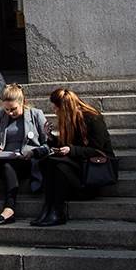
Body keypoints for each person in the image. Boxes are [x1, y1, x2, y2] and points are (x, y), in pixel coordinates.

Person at [33, 88, 114, 227]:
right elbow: (69, 143)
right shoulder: (70, 119)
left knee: (59, 165)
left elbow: (97, 150)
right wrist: (51, 137)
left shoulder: (93, 118)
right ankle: (49, 207)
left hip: (92, 171)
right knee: (47, 161)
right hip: (77, 165)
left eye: (56, 106)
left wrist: (72, 150)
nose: (54, 110)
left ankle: (57, 211)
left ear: (64, 106)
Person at [0, 84, 48, 226]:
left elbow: (48, 145)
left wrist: (33, 152)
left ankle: (10, 208)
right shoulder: (2, 115)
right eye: (6, 109)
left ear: (22, 102)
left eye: (13, 109)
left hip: (26, 159)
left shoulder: (36, 114)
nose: (10, 113)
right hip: (5, 156)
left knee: (8, 166)